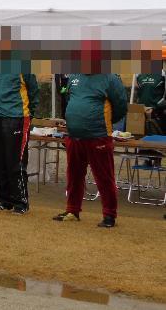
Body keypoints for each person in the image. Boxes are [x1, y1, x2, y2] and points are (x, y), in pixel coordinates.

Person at [53, 73, 127, 228]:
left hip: (98, 135)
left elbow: (121, 107)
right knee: (73, 175)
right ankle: (72, 210)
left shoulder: (110, 78)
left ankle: (109, 215)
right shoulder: (74, 77)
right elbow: (69, 99)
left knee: (104, 177)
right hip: (75, 135)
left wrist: (102, 121)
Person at [0, 73, 39, 214]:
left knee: (15, 161)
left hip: (17, 116)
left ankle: (21, 202)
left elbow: (34, 92)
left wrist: (29, 113)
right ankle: (2, 200)